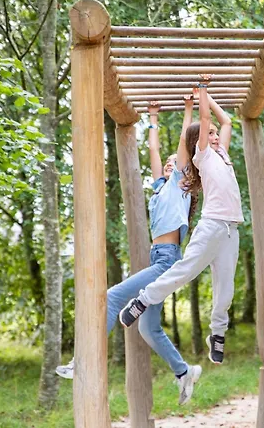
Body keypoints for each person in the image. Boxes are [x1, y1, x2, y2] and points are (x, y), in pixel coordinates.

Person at [56, 99, 201, 405]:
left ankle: (83, 361)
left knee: (112, 297)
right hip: (158, 258)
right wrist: (152, 119)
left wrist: (189, 109)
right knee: (148, 328)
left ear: (184, 168)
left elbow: (183, 141)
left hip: (167, 261)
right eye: (167, 164)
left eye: (175, 162)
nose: (169, 164)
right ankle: (184, 371)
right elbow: (153, 151)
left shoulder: (181, 185)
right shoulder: (161, 188)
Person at [119, 77, 244, 366]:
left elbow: (226, 122)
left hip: (231, 231)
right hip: (212, 225)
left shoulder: (223, 155)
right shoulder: (204, 156)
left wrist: (207, 98)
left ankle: (217, 333)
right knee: (185, 271)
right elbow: (205, 119)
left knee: (226, 288)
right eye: (209, 134)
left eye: (215, 135)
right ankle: (143, 300)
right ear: (199, 142)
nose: (215, 136)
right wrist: (203, 93)